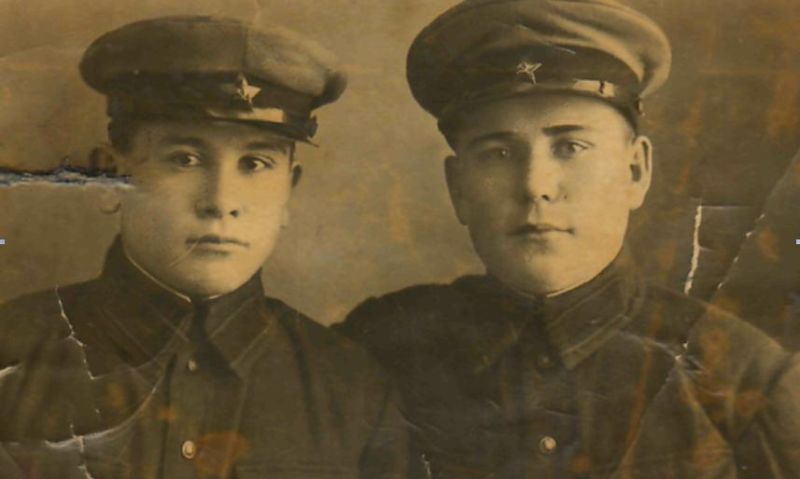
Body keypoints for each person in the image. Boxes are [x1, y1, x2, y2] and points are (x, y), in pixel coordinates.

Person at [335, 0, 800, 477]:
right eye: (498, 153)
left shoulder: (744, 379)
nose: (535, 185)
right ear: (459, 190)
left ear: (635, 171)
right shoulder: (378, 353)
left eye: (570, 147)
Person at [0, 16, 407, 479]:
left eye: (255, 163)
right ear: (109, 178)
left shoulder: (352, 390)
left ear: (288, 192)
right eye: (185, 159)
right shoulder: (11, 352)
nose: (221, 201)